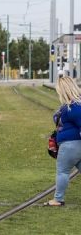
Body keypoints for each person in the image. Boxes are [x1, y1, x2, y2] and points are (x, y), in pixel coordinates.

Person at [44, 76, 81, 206]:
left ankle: (58, 199)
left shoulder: (74, 107)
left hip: (70, 145)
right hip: (75, 145)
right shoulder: (70, 106)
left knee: (63, 171)